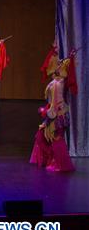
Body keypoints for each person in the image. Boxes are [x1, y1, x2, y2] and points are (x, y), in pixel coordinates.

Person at [29, 44, 76, 172]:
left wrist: (49, 113)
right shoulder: (55, 81)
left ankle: (60, 164)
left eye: (61, 66)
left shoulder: (60, 83)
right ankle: (46, 159)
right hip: (53, 112)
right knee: (41, 135)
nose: (58, 67)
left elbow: (57, 101)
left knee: (56, 138)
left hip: (59, 114)